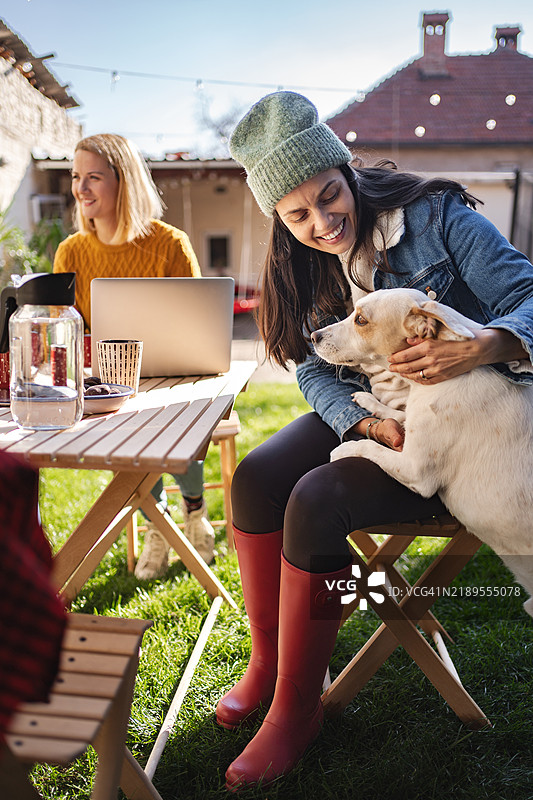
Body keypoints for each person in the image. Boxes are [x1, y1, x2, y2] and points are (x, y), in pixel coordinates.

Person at [215, 91, 533, 791]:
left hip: (467, 437)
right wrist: (362, 424)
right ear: (277, 215)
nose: (322, 223)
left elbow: (528, 294)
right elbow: (309, 364)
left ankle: (297, 709)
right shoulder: (299, 258)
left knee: (316, 499)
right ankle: (270, 664)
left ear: (345, 168)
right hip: (381, 412)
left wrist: (485, 344)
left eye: (330, 197)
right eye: (297, 215)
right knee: (254, 479)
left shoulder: (435, 218)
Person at [54, 134, 215, 576]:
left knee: (178, 419)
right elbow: (64, 334)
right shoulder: (70, 252)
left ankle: (194, 512)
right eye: (75, 177)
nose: (80, 189)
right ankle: (159, 525)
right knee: (128, 431)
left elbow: (199, 325)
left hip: (173, 378)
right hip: (108, 386)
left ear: (123, 183)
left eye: (93, 178)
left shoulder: (170, 244)